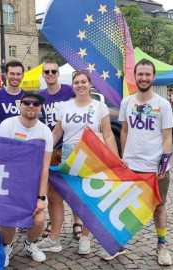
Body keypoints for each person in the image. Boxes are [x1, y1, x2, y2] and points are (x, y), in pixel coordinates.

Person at [37, 70, 122, 260]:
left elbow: (108, 134)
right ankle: (54, 239)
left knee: (86, 199)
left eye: (83, 81)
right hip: (65, 154)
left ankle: (85, 237)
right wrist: (42, 150)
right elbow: (57, 133)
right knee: (54, 195)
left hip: (90, 156)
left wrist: (115, 160)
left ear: (90, 84)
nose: (80, 85)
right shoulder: (66, 106)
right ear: (73, 85)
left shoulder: (100, 107)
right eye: (76, 82)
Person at [118, 59, 173, 266]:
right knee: (126, 206)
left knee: (159, 207)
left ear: (153, 77)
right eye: (140, 74)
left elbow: (167, 136)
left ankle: (162, 245)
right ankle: (119, 244)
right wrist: (123, 158)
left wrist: (163, 164)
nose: (143, 78)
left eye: (147, 74)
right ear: (135, 76)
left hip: (156, 168)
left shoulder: (163, 104)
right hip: (132, 166)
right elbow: (124, 131)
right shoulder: (127, 102)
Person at [0, 91, 53, 267]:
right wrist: (27, 148)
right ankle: (7, 246)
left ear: (40, 108)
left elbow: (45, 167)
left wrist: (41, 198)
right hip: (8, 183)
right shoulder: (7, 125)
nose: (31, 106)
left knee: (38, 219)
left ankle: (31, 244)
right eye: (27, 102)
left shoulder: (45, 131)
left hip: (31, 186)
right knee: (7, 218)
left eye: (35, 104)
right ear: (20, 105)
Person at [39, 61, 84, 240]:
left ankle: (77, 222)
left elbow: (85, 102)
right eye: (47, 71)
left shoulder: (69, 90)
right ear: (43, 74)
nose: (50, 74)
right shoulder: (41, 96)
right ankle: (53, 221)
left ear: (58, 73)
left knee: (74, 188)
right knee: (52, 189)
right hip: (53, 148)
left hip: (72, 146)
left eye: (53, 71)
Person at [0, 60, 25, 135]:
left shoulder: (27, 96)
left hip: (21, 141)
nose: (15, 77)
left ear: (22, 76)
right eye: (12, 74)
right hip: (1, 142)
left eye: (18, 74)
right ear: (6, 75)